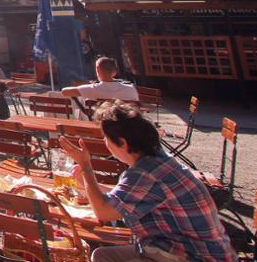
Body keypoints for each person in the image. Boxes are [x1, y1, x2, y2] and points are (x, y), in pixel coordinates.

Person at [58, 101, 235, 262]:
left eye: (105, 137)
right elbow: (125, 197)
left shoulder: (145, 173)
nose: (104, 142)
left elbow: (103, 213)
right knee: (102, 255)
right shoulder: (157, 160)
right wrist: (87, 183)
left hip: (193, 256)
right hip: (200, 250)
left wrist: (86, 167)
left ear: (122, 143)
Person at [62, 56, 139, 103]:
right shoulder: (131, 89)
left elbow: (64, 92)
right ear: (114, 72)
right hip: (130, 126)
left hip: (106, 125)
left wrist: (89, 85)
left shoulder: (93, 89)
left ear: (98, 70)